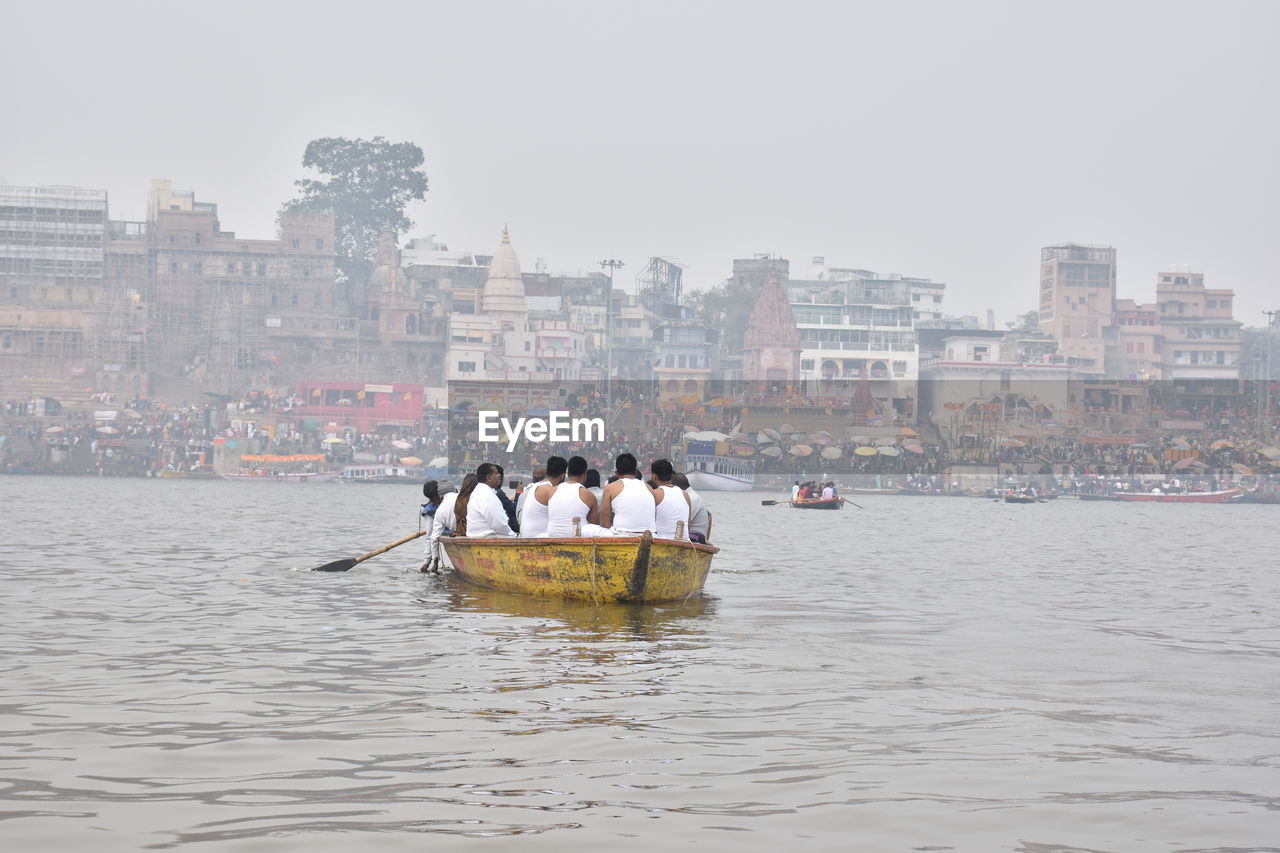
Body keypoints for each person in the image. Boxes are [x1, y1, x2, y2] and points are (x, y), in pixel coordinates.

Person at [545, 456, 610, 537]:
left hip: (552, 534)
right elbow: (594, 522)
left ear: (567, 474)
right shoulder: (587, 495)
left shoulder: (551, 491)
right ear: (584, 475)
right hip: (576, 536)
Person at [599, 452, 657, 535]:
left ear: (616, 473)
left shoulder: (610, 488)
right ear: (636, 472)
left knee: (590, 528)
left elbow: (604, 523)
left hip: (622, 535)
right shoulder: (649, 488)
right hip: (650, 535)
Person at [465, 462, 516, 537]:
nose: (499, 476)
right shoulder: (487, 495)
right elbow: (499, 524)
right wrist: (513, 535)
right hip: (487, 538)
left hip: (480, 537)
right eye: (496, 473)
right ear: (489, 478)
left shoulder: (479, 491)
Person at [420, 480, 460, 573]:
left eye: (437, 498)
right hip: (446, 534)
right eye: (434, 500)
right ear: (430, 499)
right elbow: (430, 537)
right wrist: (427, 562)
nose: (437, 501)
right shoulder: (430, 510)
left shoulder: (458, 497)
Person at [522, 456, 565, 538]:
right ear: (562, 476)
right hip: (540, 539)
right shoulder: (549, 490)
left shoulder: (536, 486)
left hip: (528, 536)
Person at [672, 472, 710, 543]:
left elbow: (684, 522)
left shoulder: (692, 498)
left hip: (696, 538)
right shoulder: (691, 495)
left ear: (676, 487)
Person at [492, 464, 520, 533]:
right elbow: (513, 509)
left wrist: (510, 499)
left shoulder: (485, 490)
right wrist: (519, 494)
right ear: (500, 478)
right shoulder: (498, 492)